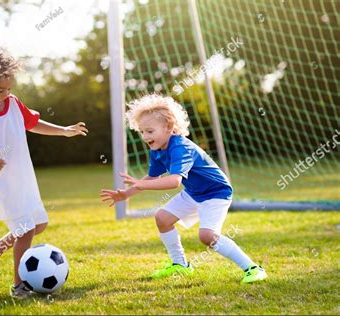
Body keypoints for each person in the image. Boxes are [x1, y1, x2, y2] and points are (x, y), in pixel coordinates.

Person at [0, 47, 88, 298]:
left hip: (24, 178)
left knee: (39, 223)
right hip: (2, 182)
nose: (5, 95)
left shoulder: (13, 103)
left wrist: (64, 130)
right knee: (26, 229)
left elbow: (33, 122)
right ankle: (19, 286)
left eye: (8, 90)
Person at [100, 94, 266, 283]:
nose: (145, 137)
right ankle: (180, 265)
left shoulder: (181, 147)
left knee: (207, 236)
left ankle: (253, 268)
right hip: (194, 193)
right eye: (142, 132)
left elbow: (174, 181)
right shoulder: (157, 150)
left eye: (150, 131)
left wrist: (140, 183)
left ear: (169, 127)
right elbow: (153, 177)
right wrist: (126, 194)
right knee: (162, 218)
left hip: (216, 193)